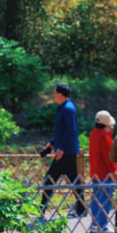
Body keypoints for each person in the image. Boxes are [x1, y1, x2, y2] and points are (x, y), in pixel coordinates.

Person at [40, 83, 84, 216]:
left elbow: (71, 130)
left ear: (59, 94)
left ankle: (41, 209)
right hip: (67, 151)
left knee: (49, 180)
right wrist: (52, 144)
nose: (53, 96)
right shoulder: (64, 107)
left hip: (66, 152)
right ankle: (81, 210)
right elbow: (62, 131)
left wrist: (61, 149)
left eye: (54, 94)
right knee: (74, 181)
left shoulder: (68, 109)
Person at [88, 111, 117, 233]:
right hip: (105, 173)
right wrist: (114, 171)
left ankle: (94, 225)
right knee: (105, 200)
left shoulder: (93, 134)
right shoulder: (104, 137)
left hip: (95, 172)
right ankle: (103, 226)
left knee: (96, 199)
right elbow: (109, 157)